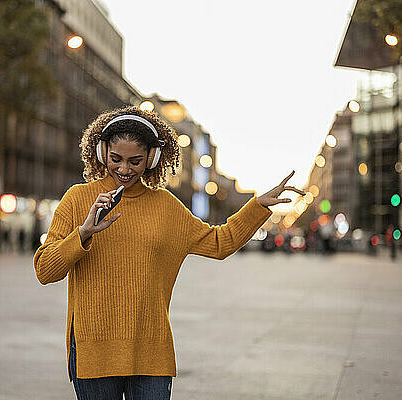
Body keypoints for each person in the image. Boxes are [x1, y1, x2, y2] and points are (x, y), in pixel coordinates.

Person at [33, 106, 304, 400]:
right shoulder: (77, 199)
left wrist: (258, 207)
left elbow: (220, 242)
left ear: (152, 158)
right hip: (94, 351)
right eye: (116, 159)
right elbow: (45, 270)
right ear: (101, 152)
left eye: (135, 161)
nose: (124, 169)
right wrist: (84, 232)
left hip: (151, 350)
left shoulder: (166, 206)